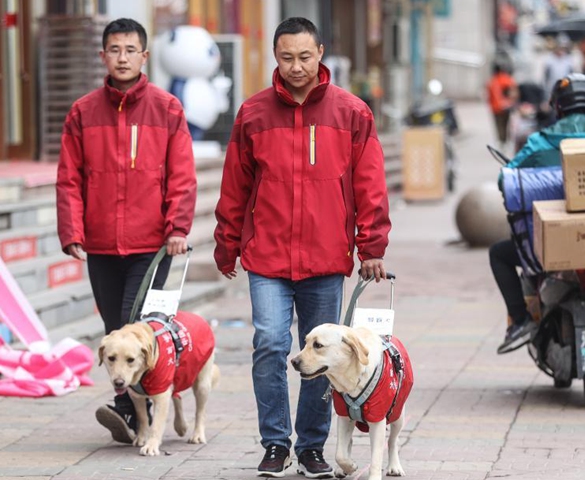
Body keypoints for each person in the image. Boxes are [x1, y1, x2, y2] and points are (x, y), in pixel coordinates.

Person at [213, 17, 391, 478]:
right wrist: (226, 242)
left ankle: (312, 447)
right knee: (270, 342)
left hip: (325, 256)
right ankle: (275, 443)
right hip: (266, 254)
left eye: (305, 57)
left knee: (323, 355)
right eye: (287, 57)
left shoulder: (352, 113)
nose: (296, 66)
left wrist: (371, 244)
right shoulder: (253, 114)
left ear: (321, 54)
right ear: (276, 56)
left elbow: (370, 183)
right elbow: (234, 185)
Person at [56, 18, 196, 443]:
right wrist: (72, 230)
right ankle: (140, 408)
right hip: (100, 243)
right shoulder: (83, 111)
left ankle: (131, 411)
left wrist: (177, 226)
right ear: (103, 56)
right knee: (114, 327)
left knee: (135, 326)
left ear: (144, 57)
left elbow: (181, 175)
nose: (122, 57)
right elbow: (69, 178)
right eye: (114, 50)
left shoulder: (167, 108)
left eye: (129, 50)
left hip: (151, 243)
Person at [491, 73, 585, 354]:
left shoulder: (539, 143)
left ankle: (520, 320)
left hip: (549, 249)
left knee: (498, 254)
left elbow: (504, 181)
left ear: (557, 108)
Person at [486, 62, 518, 148]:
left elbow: (489, 95)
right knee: (506, 124)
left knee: (499, 125)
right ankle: (506, 140)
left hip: (496, 108)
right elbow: (514, 92)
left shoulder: (492, 81)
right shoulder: (507, 79)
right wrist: (510, 102)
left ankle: (502, 141)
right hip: (506, 106)